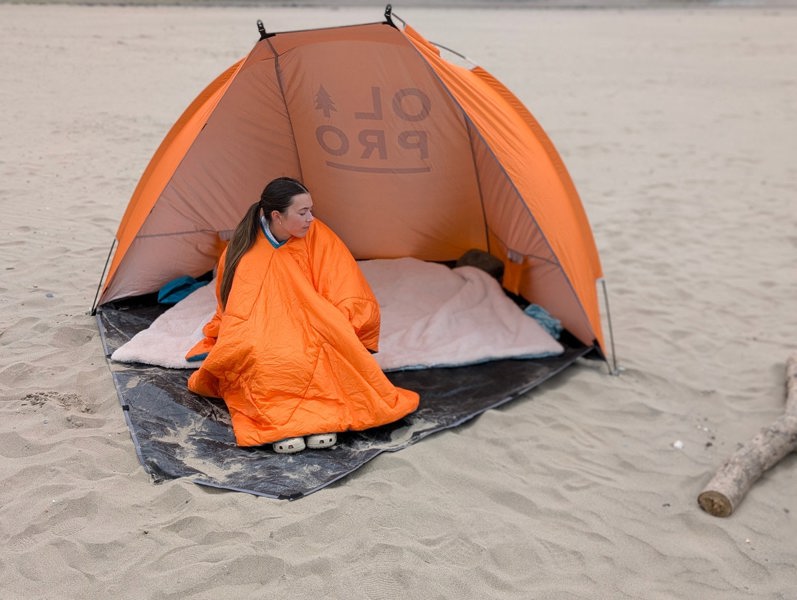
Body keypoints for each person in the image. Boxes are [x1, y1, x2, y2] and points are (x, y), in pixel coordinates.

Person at [186, 177, 419, 453]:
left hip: (313, 317)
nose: (310, 218)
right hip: (262, 326)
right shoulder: (244, 247)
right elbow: (236, 306)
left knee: (328, 344)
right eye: (302, 212)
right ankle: (286, 423)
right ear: (277, 216)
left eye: (311, 210)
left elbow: (344, 283)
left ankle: (321, 418)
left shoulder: (318, 234)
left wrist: (339, 320)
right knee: (262, 355)